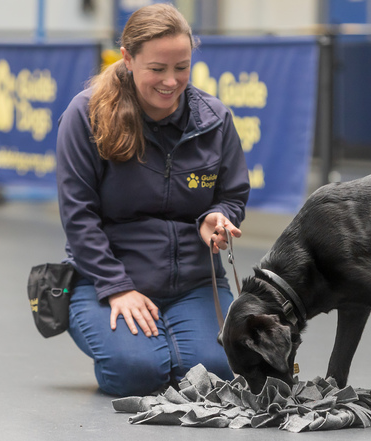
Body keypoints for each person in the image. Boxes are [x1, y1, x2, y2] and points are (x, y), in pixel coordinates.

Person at [55, 3, 250, 397]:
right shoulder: (86, 115)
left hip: (195, 282)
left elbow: (231, 194)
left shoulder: (215, 120)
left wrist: (217, 217)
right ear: (127, 59)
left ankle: (171, 344)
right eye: (157, 69)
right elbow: (79, 217)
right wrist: (117, 287)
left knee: (216, 375)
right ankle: (139, 348)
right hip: (104, 280)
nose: (171, 81)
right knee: (138, 374)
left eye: (182, 67)